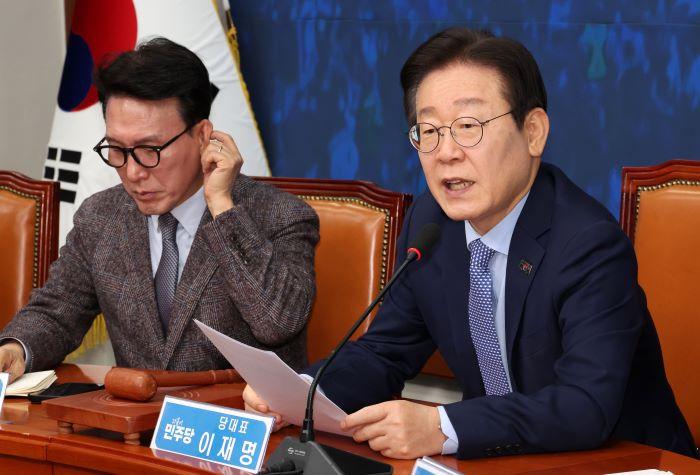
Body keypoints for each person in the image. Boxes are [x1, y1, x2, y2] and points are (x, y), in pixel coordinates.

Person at [243, 28, 697, 460]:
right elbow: (385, 352)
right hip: (503, 460)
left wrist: (442, 427)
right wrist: (301, 393)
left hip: (626, 461)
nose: (446, 152)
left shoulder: (588, 244)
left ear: (533, 131)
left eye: (468, 125)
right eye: (430, 131)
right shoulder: (432, 224)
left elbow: (585, 406)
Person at [0, 38, 319, 383]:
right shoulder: (101, 216)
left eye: (150, 149)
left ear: (202, 136)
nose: (133, 172)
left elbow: (277, 323)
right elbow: (57, 310)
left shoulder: (278, 216)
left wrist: (222, 208)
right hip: (134, 413)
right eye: (117, 149)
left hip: (239, 414)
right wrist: (16, 348)